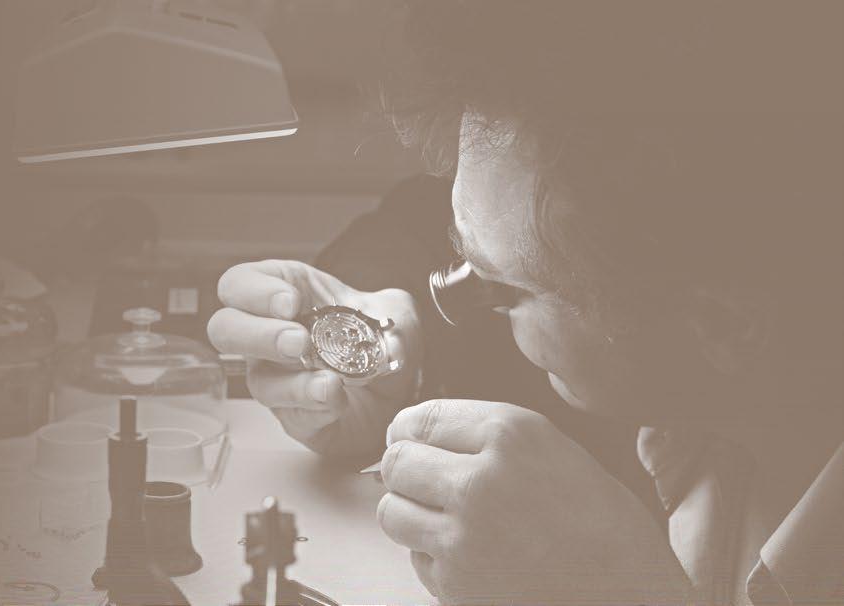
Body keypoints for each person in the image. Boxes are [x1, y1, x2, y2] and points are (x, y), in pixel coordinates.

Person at [208, 1, 844, 604]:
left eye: (501, 288)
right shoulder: (680, 275)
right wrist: (397, 357)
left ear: (724, 325)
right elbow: (412, 222)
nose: (459, 303)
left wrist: (619, 595)